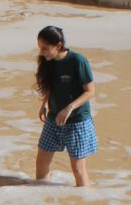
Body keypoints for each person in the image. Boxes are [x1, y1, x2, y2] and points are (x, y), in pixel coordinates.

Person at [34, 25, 96, 187]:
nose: (41, 52)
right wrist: (45, 103)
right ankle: (41, 198)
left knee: (78, 169)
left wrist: (69, 108)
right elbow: (51, 86)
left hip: (77, 122)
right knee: (41, 164)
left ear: (59, 46)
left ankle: (84, 203)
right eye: (40, 47)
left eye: (45, 48)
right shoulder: (48, 62)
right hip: (53, 119)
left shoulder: (78, 61)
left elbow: (90, 92)